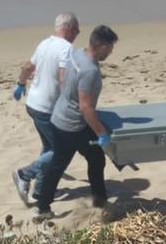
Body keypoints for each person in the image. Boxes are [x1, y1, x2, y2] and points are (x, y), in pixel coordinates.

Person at [35, 25, 120, 220]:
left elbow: (62, 77)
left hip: (58, 117)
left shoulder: (78, 54)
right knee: (91, 160)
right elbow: (85, 108)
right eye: (110, 48)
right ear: (102, 46)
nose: (111, 52)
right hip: (72, 127)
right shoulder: (90, 71)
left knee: (63, 162)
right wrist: (102, 134)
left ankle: (43, 207)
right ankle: (99, 203)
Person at [11, 13, 80, 205]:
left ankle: (41, 191)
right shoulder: (66, 48)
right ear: (69, 29)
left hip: (33, 104)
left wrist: (20, 84)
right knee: (62, 150)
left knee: (49, 147)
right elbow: (63, 78)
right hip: (47, 108)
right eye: (77, 31)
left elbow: (28, 67)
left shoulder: (44, 43)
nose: (77, 35)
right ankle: (24, 174)